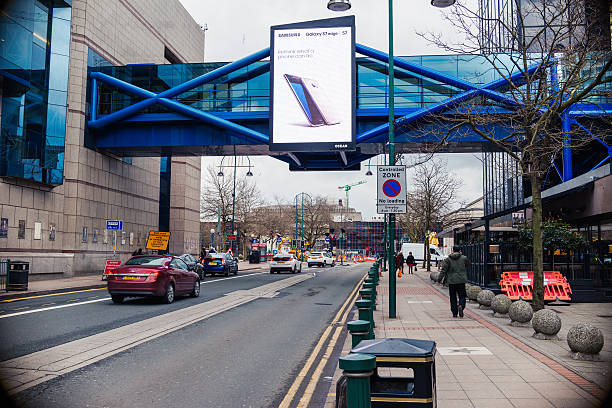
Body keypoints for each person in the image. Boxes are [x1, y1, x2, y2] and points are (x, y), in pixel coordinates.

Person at [437, 245, 470, 318]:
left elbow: (443, 270)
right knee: (462, 295)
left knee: (453, 297)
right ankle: (461, 305)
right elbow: (468, 264)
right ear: (459, 251)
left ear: (452, 250)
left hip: (451, 281)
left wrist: (439, 280)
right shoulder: (463, 258)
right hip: (461, 280)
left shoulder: (448, 259)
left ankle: (454, 312)